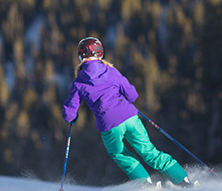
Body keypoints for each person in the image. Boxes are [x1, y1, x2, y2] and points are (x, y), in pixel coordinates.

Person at [62, 37, 197, 188]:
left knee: (120, 154)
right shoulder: (112, 71)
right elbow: (132, 95)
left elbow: (69, 113)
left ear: (81, 56)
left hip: (109, 124)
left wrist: (72, 118)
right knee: (149, 151)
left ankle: (146, 184)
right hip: (130, 117)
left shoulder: (79, 82)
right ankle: (183, 181)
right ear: (100, 53)